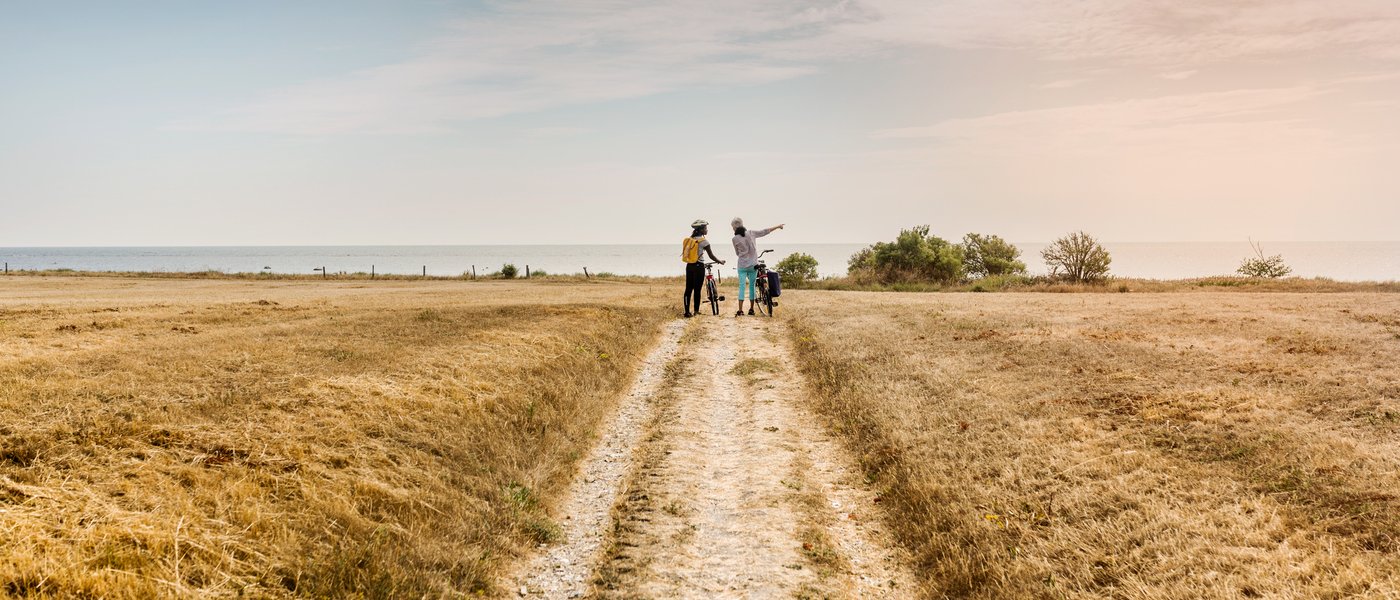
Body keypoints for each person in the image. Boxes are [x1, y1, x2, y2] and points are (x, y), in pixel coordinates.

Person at [730, 217, 784, 316]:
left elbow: (737, 253)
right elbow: (765, 231)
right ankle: (751, 309)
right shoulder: (751, 233)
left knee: (741, 287)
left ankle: (740, 310)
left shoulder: (734, 239)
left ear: (734, 227)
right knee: (752, 286)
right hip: (753, 265)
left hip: (742, 265)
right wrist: (778, 226)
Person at [682, 219, 724, 317]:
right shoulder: (704, 241)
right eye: (705, 228)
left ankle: (687, 312)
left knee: (688, 289)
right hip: (698, 266)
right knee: (697, 289)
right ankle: (696, 311)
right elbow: (711, 256)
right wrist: (720, 261)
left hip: (689, 266)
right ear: (701, 230)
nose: (707, 230)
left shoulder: (690, 240)